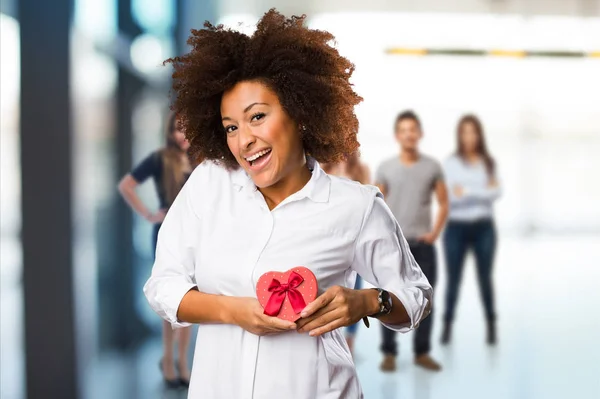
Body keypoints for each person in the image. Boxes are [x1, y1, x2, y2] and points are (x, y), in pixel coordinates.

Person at [143, 10, 432, 398]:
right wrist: (233, 311)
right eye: (231, 127)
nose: (244, 140)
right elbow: (163, 285)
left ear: (299, 113)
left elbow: (415, 298)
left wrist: (366, 301)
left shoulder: (355, 206)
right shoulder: (210, 184)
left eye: (257, 117)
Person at [118, 112, 193, 388]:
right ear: (169, 132)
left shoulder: (201, 161)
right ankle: (168, 360)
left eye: (187, 129)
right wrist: (149, 214)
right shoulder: (160, 159)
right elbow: (127, 186)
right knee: (168, 300)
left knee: (191, 299)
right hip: (164, 235)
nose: (182, 135)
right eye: (177, 130)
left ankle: (182, 361)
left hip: (193, 237)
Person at [375, 110, 448, 372]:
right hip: (394, 245)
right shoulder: (386, 167)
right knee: (389, 298)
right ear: (398, 135)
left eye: (413, 129)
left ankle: (421, 352)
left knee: (426, 301)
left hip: (423, 245)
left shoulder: (432, 166)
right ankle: (389, 353)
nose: (409, 134)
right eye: (403, 130)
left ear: (420, 134)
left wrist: (434, 234)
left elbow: (444, 201)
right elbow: (375, 206)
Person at [441, 114, 500, 346]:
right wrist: (481, 191)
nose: (469, 137)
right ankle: (447, 326)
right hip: (456, 227)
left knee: (485, 277)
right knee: (453, 279)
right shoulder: (451, 163)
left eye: (473, 131)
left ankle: (491, 324)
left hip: (484, 228)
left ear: (479, 134)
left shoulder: (488, 162)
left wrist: (468, 192)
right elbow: (453, 197)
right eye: (465, 132)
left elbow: (497, 192)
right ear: (459, 135)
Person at [321, 152, 371, 356]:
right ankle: (328, 336)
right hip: (328, 236)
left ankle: (350, 339)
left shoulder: (360, 169)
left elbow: (367, 202)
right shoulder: (324, 166)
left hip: (355, 237)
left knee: (355, 288)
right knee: (328, 286)